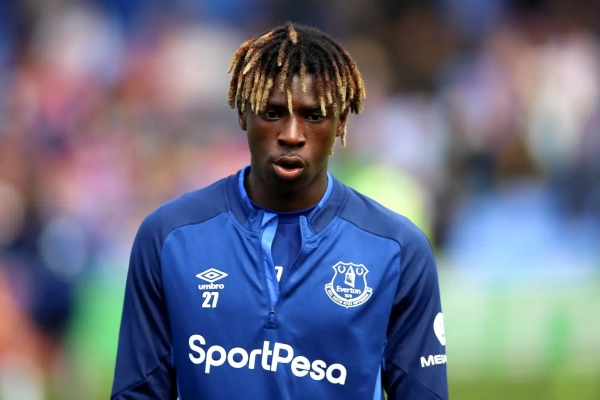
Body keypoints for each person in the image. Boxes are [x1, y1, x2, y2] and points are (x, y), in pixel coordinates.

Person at [111, 22, 448, 400]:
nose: (291, 134)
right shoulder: (170, 237)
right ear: (242, 114)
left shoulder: (397, 250)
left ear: (340, 122)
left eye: (314, 115)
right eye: (272, 113)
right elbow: (137, 393)